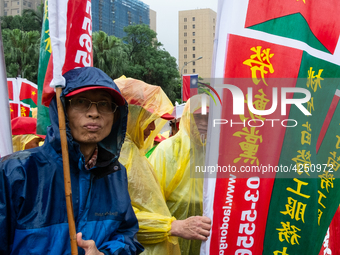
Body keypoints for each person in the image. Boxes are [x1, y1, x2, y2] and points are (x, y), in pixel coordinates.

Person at [0, 67, 143, 255]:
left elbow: (126, 235)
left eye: (104, 104)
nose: (94, 113)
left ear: (116, 116)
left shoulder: (115, 174)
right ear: (62, 109)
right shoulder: (17, 171)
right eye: (81, 102)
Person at [115, 77, 211, 255]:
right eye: (147, 119)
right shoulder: (164, 150)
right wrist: (172, 226)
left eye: (209, 118)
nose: (153, 127)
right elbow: (120, 216)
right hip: (159, 239)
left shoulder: (213, 154)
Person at [148, 94, 210, 255]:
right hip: (173, 226)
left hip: (206, 228)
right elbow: (151, 198)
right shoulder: (168, 149)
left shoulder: (215, 152)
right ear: (188, 118)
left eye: (209, 118)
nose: (204, 123)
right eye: (199, 117)